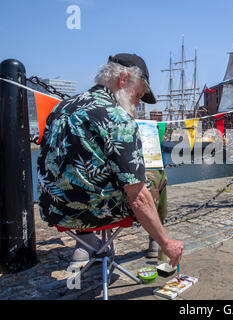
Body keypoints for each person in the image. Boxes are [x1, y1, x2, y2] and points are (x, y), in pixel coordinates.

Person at [37, 53, 183, 268]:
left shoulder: (61, 108)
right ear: (123, 79)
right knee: (156, 175)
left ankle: (85, 242)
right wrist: (168, 242)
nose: (137, 102)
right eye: (138, 95)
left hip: (54, 209)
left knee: (87, 176)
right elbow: (137, 198)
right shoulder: (117, 117)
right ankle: (157, 244)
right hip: (97, 213)